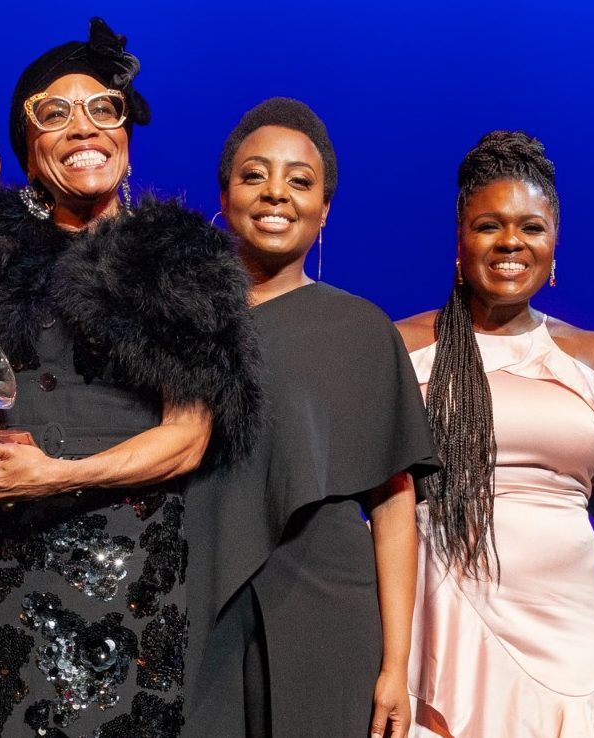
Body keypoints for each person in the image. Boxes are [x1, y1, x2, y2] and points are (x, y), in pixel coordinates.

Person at [0, 17, 260, 738]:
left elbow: (187, 439)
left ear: (127, 134)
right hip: (3, 567)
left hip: (129, 575)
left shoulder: (177, 257)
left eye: (104, 108)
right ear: (26, 148)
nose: (83, 127)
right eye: (55, 113)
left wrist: (49, 474)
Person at [182, 98, 438, 738]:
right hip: (194, 599)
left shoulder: (360, 331)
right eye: (254, 175)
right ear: (224, 192)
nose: (276, 193)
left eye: (300, 181)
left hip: (327, 607)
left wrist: (396, 666)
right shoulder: (173, 323)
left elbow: (394, 507)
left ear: (324, 210)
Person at [396, 132, 594, 738]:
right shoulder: (402, 348)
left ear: (554, 245)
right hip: (446, 616)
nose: (511, 242)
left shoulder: (592, 357)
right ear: (460, 240)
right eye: (489, 225)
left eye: (531, 227)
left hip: (569, 628)